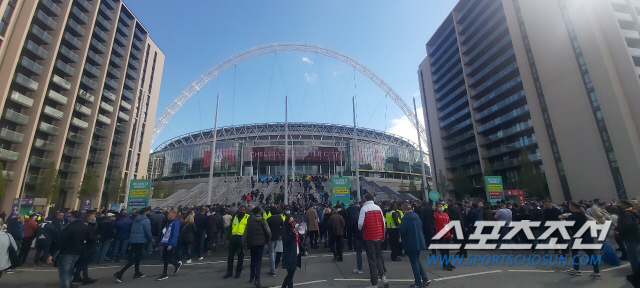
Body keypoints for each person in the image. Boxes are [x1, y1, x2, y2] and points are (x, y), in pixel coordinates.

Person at [47, 211, 94, 288]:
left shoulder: (70, 227)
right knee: (70, 270)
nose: (68, 218)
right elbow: (89, 239)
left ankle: (66, 285)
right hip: (78, 251)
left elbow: (61, 240)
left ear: (73, 217)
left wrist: (52, 253)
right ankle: (69, 284)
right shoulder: (85, 227)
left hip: (67, 251)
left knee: (64, 272)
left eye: (69, 216)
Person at [562, 201, 601, 279]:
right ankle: (596, 271)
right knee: (590, 253)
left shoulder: (573, 216)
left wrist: (562, 220)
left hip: (577, 236)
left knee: (575, 252)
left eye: (570, 206)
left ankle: (576, 269)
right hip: (586, 235)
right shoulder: (582, 215)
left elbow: (568, 226)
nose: (569, 207)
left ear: (573, 207)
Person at [358, 193, 389, 288]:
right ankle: (383, 277)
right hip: (379, 236)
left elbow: (360, 224)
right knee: (379, 257)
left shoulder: (364, 209)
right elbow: (383, 223)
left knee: (372, 260)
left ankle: (374, 283)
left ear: (365, 199)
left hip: (369, 236)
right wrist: (383, 236)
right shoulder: (378, 208)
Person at [114, 208, 153, 282]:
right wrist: (150, 239)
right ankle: (120, 273)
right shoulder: (146, 220)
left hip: (133, 239)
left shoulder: (135, 219)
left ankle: (137, 272)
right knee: (135, 258)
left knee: (136, 257)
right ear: (146, 212)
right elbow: (148, 231)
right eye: (148, 211)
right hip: (140, 240)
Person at [399, 203, 430, 288]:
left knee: (414, 262)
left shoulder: (405, 219)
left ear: (405, 210)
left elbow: (402, 230)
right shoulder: (417, 217)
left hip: (410, 242)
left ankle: (418, 282)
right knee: (417, 260)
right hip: (419, 241)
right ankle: (425, 278)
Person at [243, 207, 271, 288]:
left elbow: (245, 233)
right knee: (258, 261)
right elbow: (268, 231)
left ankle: (251, 277)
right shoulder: (262, 220)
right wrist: (267, 240)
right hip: (260, 242)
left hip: (251, 242)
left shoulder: (249, 220)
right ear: (259, 212)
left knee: (253, 259)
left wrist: (244, 245)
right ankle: (257, 279)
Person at [617, 200, 640, 287]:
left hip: (630, 237)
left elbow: (627, 224)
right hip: (636, 235)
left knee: (633, 256)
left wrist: (618, 228)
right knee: (635, 255)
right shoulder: (634, 212)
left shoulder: (626, 213)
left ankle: (636, 276)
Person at [73, 211, 98, 285]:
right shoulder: (88, 226)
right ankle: (77, 274)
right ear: (89, 217)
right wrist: (97, 237)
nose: (94, 217)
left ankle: (83, 277)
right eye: (93, 215)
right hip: (88, 246)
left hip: (83, 246)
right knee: (85, 262)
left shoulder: (84, 224)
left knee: (84, 262)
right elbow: (90, 237)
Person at [224, 206, 249, 279]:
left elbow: (249, 230)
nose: (242, 211)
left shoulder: (248, 217)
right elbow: (231, 227)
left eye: (243, 210)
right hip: (233, 238)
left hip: (241, 239)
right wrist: (228, 238)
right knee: (230, 256)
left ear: (246, 210)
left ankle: (238, 271)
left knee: (240, 256)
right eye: (241, 210)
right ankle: (229, 271)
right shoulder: (235, 217)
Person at [157, 210, 182, 281]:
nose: (168, 216)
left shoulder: (175, 223)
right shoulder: (170, 222)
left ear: (174, 215)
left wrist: (171, 244)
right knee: (166, 258)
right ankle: (176, 264)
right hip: (166, 241)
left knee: (166, 258)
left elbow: (175, 234)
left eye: (170, 215)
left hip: (169, 242)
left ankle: (165, 273)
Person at [280, 215, 301, 288]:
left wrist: (304, 249)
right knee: (291, 273)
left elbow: (298, 241)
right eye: (291, 222)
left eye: (293, 221)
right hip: (289, 253)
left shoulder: (294, 228)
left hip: (295, 252)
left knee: (291, 273)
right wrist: (293, 234)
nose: (293, 223)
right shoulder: (285, 230)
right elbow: (286, 241)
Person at [434, 202, 455, 271]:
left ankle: (448, 263)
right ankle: (445, 265)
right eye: (439, 206)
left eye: (441, 206)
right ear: (436, 207)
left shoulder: (446, 214)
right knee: (443, 251)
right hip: (441, 235)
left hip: (447, 235)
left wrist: (451, 232)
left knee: (447, 251)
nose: (441, 207)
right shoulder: (435, 215)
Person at [266, 207, 283, 276]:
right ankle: (273, 268)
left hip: (270, 237)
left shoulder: (269, 219)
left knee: (271, 253)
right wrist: (280, 235)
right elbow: (282, 227)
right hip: (277, 237)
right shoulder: (279, 218)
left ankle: (272, 270)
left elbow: (267, 229)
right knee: (274, 251)